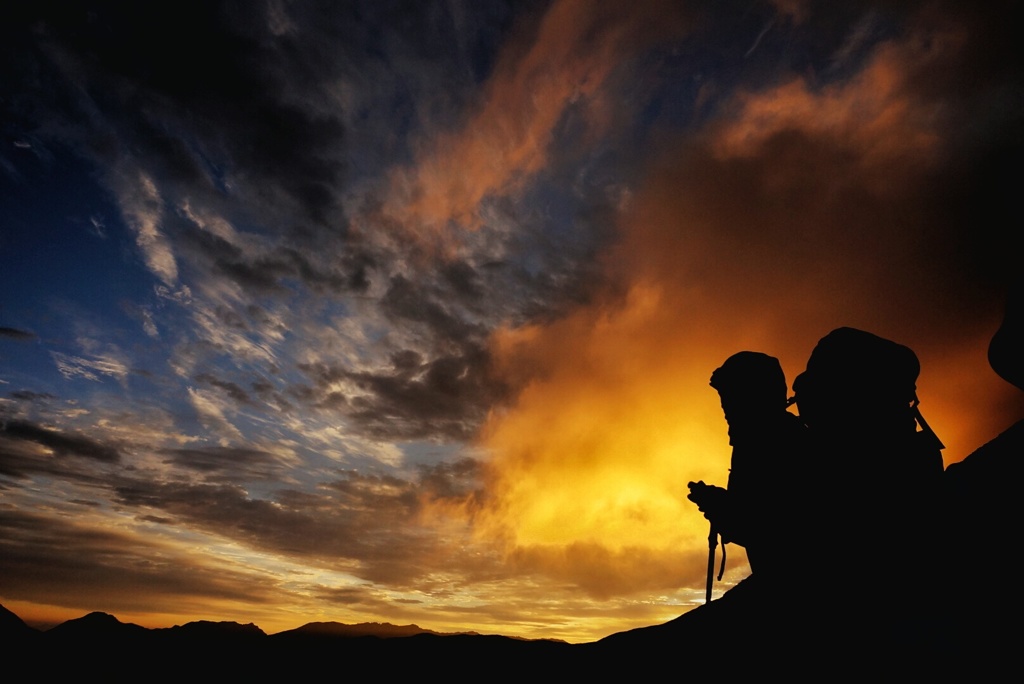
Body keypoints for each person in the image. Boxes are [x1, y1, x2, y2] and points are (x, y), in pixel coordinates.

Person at [687, 351, 810, 584]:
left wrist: (720, 507)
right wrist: (720, 504)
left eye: (732, 396)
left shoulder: (777, 442)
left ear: (752, 396)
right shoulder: (758, 440)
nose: (725, 407)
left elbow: (772, 529)